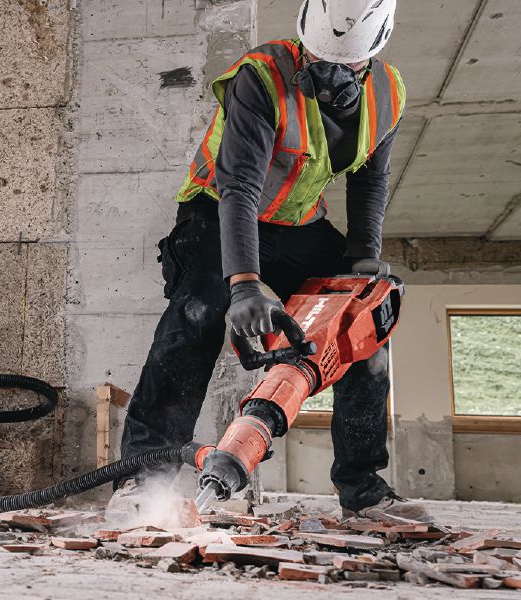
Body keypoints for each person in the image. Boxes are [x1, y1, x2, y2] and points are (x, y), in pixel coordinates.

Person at [112, 0, 431, 522]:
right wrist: (242, 284)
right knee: (196, 314)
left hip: (299, 225)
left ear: (370, 55)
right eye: (315, 57)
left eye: (345, 66)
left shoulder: (388, 91)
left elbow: (370, 178)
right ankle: (144, 478)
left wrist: (362, 257)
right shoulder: (260, 76)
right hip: (219, 214)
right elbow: (239, 185)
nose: (327, 75)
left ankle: (363, 488)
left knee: (365, 328)